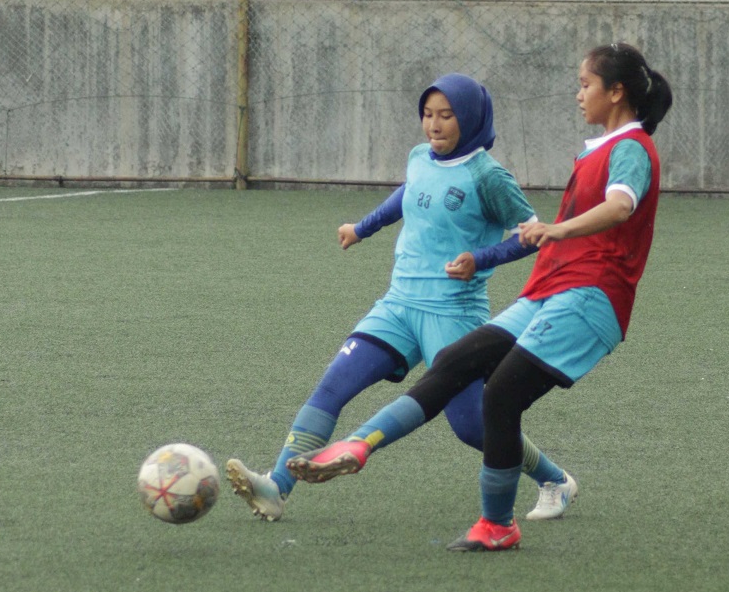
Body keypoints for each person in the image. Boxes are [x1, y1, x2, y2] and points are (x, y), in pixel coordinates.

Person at [287, 43, 673, 552]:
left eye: (585, 84)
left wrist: (554, 230)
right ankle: (361, 444)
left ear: (616, 91)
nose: (578, 93)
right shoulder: (597, 146)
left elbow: (620, 206)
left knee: (500, 396)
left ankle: (497, 525)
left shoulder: (631, 146)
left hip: (591, 297)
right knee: (453, 363)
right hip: (548, 290)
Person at [226, 73, 577, 522]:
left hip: (453, 314)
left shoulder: (488, 176)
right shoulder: (419, 158)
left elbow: (532, 236)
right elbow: (406, 196)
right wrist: (361, 227)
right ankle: (276, 486)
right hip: (397, 304)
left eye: (446, 116)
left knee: (472, 426)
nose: (434, 125)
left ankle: (553, 479)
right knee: (333, 387)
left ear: (469, 119)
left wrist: (480, 258)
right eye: (428, 115)